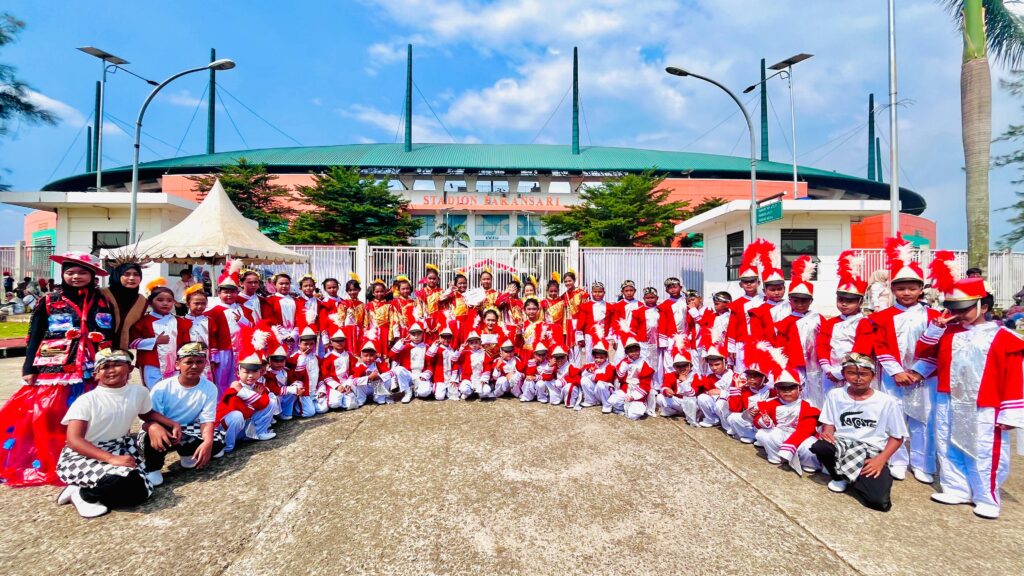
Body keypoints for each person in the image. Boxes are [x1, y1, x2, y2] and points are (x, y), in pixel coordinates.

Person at [913, 275, 1024, 519]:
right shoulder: (948, 333)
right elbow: (922, 352)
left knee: (984, 449)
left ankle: (986, 497)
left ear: (983, 307)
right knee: (947, 443)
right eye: (953, 309)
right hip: (948, 399)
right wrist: (936, 327)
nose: (958, 315)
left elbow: (1015, 377)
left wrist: (1011, 412)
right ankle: (956, 488)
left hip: (984, 404)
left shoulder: (1004, 338)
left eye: (963, 310)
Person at [1, 251, 115, 487]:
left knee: (90, 413)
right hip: (55, 367)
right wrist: (28, 367)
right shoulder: (49, 301)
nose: (76, 277)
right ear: (63, 274)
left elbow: (109, 332)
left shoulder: (103, 300)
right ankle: (49, 457)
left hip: (92, 366)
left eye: (82, 272)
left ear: (92, 276)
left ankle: (86, 453)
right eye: (70, 272)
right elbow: (34, 335)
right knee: (49, 412)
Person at [55, 348, 179, 518]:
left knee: (143, 492)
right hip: (83, 455)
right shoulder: (86, 401)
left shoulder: (139, 392)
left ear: (130, 368)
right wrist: (110, 459)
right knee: (124, 481)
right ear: (96, 374)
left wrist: (169, 424)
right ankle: (83, 495)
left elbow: (146, 414)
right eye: (105, 366)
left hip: (119, 448)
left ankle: (89, 487)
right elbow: (74, 440)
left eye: (117, 364)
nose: (111, 370)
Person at [867, 235, 940, 483]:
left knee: (923, 419)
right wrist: (897, 371)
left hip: (925, 377)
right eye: (900, 288)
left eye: (912, 288)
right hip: (893, 376)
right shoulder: (881, 317)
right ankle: (897, 460)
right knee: (894, 417)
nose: (906, 292)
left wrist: (919, 371)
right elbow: (879, 345)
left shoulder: (934, 315)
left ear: (921, 289)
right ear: (892, 289)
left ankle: (923, 463)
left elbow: (939, 347)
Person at [811, 353, 908, 512]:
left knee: (879, 502)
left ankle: (853, 475)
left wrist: (881, 459)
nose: (858, 378)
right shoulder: (835, 395)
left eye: (863, 374)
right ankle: (839, 476)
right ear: (843, 374)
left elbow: (897, 437)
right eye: (851, 373)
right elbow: (828, 423)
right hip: (842, 444)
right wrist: (827, 434)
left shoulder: (886, 401)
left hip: (871, 450)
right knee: (821, 446)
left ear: (873, 376)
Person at [143, 343, 225, 487]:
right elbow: (148, 416)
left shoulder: (210, 388)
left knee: (217, 445)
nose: (194, 366)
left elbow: (207, 420)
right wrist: (164, 426)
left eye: (199, 362)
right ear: (177, 364)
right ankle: (153, 468)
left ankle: (186, 454)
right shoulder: (162, 387)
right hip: (163, 427)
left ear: (205, 363)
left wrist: (207, 442)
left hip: (187, 428)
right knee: (153, 434)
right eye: (188, 362)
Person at [816, 251, 874, 409]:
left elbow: (862, 349)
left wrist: (842, 371)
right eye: (841, 299)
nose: (844, 304)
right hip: (830, 372)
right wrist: (827, 368)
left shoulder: (864, 322)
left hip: (854, 372)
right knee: (830, 403)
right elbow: (822, 345)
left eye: (850, 301)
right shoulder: (830, 322)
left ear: (860, 302)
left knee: (852, 404)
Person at [753, 373, 821, 474]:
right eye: (782, 388)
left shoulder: (808, 405)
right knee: (762, 434)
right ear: (777, 390)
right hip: (780, 433)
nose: (787, 391)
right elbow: (757, 419)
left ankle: (808, 463)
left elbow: (807, 429)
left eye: (791, 387)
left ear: (800, 388)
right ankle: (776, 456)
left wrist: (790, 445)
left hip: (800, 436)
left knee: (811, 446)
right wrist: (764, 421)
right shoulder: (769, 403)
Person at [129, 280, 191, 388]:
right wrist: (155, 341)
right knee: (154, 391)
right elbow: (132, 343)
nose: (165, 303)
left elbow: (185, 344)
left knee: (174, 390)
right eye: (160, 300)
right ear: (150, 302)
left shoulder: (180, 322)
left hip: (175, 364)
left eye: (169, 300)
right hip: (151, 363)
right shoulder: (143, 321)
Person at [100, 251, 148, 350]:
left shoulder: (141, 300)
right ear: (117, 275)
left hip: (123, 350)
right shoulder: (103, 294)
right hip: (99, 347)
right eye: (126, 274)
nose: (132, 278)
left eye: (136, 274)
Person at [606, 338, 653, 420]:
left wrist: (633, 396)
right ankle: (626, 407)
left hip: (638, 390)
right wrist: (624, 366)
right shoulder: (624, 362)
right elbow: (620, 378)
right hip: (626, 388)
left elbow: (645, 385)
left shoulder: (644, 363)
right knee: (612, 401)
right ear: (626, 353)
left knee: (633, 415)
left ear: (640, 350)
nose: (634, 353)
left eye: (636, 350)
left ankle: (641, 405)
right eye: (631, 351)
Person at [390, 322, 433, 402]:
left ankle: (416, 390)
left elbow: (430, 364)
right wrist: (399, 344)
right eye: (413, 334)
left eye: (419, 334)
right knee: (398, 369)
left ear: (422, 334)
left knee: (425, 393)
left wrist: (425, 375)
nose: (416, 337)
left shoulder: (427, 347)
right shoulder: (405, 346)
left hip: (420, 375)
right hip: (408, 375)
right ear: (409, 335)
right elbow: (391, 355)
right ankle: (407, 392)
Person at [657, 352, 697, 423]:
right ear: (674, 367)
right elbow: (664, 387)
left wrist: (684, 382)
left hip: (691, 404)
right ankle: (676, 412)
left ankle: (686, 415)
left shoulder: (696, 376)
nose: (681, 368)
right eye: (678, 366)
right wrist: (666, 390)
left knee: (691, 401)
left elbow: (692, 394)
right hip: (678, 402)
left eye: (684, 365)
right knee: (660, 397)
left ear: (690, 366)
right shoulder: (670, 375)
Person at [579, 340, 616, 410]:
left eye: (601, 358)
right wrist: (587, 371)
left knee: (600, 383)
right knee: (584, 379)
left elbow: (608, 378)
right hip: (597, 392)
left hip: (607, 392)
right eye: (596, 357)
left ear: (606, 357)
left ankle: (607, 405)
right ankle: (591, 401)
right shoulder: (591, 364)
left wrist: (593, 376)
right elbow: (581, 372)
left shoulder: (609, 365)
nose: (598, 360)